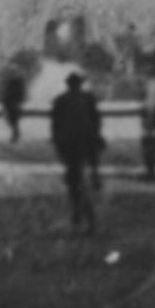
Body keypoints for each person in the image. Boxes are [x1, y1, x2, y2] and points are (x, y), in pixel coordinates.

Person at [50, 71, 104, 233]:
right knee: (81, 180)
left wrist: (59, 145)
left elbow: (55, 126)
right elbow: (96, 121)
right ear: (79, 84)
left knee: (75, 182)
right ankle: (87, 215)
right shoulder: (88, 99)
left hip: (71, 146)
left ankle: (79, 213)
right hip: (86, 144)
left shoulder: (60, 100)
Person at [0, 69, 28, 144]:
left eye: (13, 73)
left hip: (14, 104)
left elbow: (20, 93)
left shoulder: (18, 82)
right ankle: (16, 134)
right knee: (10, 120)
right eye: (11, 73)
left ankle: (15, 135)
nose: (11, 74)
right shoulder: (10, 81)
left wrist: (19, 103)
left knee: (13, 120)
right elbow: (6, 92)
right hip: (9, 103)